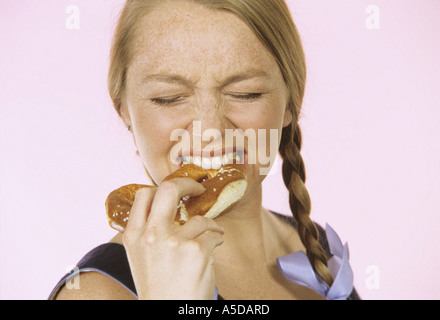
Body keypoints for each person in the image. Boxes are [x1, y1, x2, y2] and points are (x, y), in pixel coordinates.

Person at [49, 0, 359, 300]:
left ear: (291, 103)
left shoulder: (317, 248)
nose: (210, 129)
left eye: (245, 93)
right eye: (168, 98)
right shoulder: (95, 294)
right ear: (124, 110)